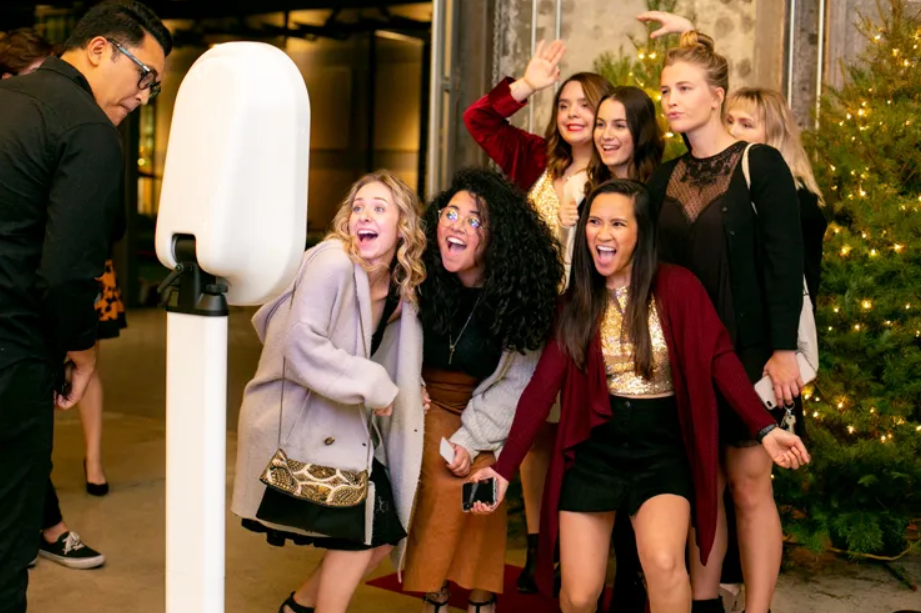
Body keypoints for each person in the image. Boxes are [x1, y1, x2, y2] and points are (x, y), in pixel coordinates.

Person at [469, 179, 810, 613]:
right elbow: (540, 391)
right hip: (593, 453)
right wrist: (502, 470)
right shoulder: (575, 303)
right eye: (594, 222)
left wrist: (764, 428)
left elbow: (720, 360)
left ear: (642, 233)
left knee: (665, 565)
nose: (602, 234)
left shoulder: (679, 288)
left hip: (660, 452)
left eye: (616, 223)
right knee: (578, 594)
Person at [0, 2, 170, 608]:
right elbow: (67, 273)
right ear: (99, 50)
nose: (145, 96)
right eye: (144, 75)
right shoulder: (88, 129)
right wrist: (82, 352)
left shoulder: (11, 100)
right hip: (12, 353)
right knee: (8, 542)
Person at [649, 32, 807, 613]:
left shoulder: (756, 163)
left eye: (684, 88)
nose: (670, 99)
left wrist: (784, 349)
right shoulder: (663, 177)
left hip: (750, 353)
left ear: (716, 96)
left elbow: (784, 262)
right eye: (665, 89)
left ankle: (759, 608)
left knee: (747, 487)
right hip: (680, 358)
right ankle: (704, 601)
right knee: (699, 490)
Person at [231, 171, 427, 613]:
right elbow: (303, 344)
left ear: (403, 226)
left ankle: (299, 606)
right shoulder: (333, 260)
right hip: (303, 423)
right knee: (366, 535)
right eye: (358, 207)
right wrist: (375, 385)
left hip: (340, 427)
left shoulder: (399, 284)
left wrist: (409, 389)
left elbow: (386, 352)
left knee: (379, 533)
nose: (364, 215)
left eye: (379, 208)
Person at [402, 168, 561, 613]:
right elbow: (392, 348)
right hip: (426, 399)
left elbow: (516, 383)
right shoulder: (419, 277)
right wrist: (409, 387)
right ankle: (435, 589)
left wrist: (471, 442)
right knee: (442, 475)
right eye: (449, 213)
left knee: (483, 482)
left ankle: (479, 595)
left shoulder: (519, 296)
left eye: (472, 220)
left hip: (487, 407)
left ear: (497, 239)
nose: (454, 225)